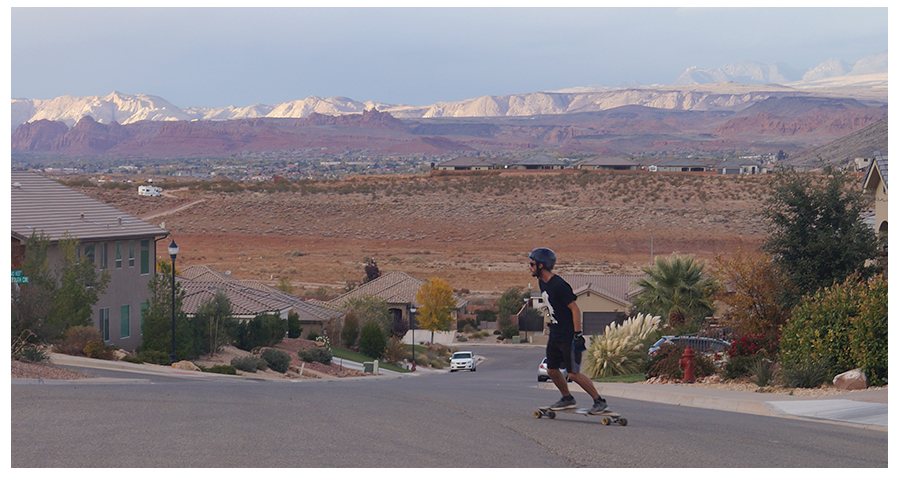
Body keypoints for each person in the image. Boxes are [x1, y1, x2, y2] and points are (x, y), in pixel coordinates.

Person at [529, 247, 610, 414]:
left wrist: (578, 334)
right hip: (555, 334)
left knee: (573, 374)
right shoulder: (542, 282)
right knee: (551, 369)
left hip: (568, 335)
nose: (529, 267)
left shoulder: (559, 285)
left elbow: (575, 309)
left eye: (532, 264)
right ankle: (567, 398)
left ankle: (599, 401)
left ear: (541, 265)